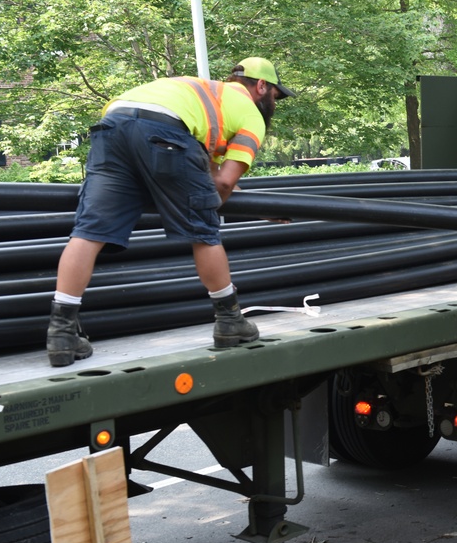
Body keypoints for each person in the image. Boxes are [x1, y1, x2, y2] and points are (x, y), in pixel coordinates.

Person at [46, 57, 295, 367]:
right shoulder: (250, 115)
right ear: (261, 86)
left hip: (113, 125)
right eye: (275, 95)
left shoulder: (202, 97)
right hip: (164, 132)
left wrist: (259, 210)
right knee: (204, 233)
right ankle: (230, 319)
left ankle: (61, 333)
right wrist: (199, 210)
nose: (275, 102)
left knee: (88, 232)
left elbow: (212, 179)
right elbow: (225, 183)